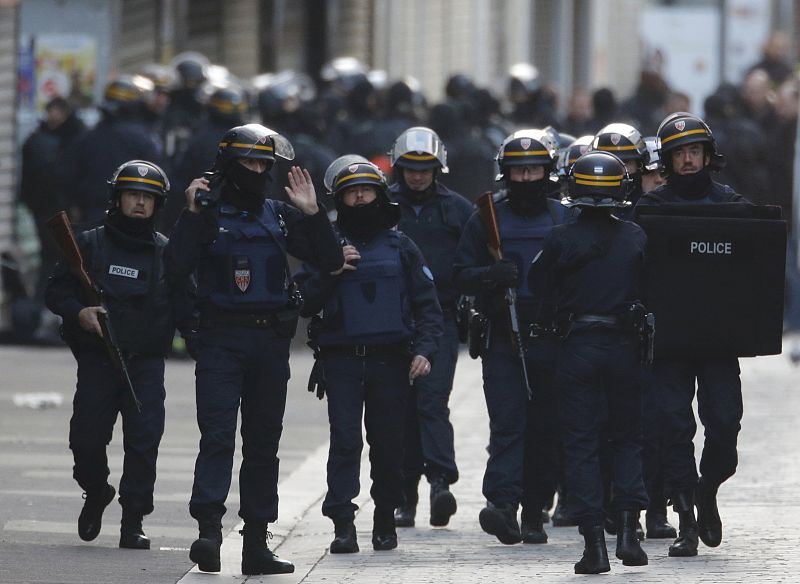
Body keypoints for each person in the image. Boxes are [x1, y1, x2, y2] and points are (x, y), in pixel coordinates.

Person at [166, 124, 344, 575]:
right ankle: (208, 532)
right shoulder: (206, 211)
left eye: (265, 163)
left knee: (264, 444)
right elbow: (175, 268)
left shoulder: (281, 215)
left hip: (269, 341)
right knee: (218, 437)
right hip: (221, 340)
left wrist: (313, 212)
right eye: (250, 162)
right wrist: (190, 215)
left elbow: (330, 260)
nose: (259, 170)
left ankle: (256, 543)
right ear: (229, 164)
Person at [298, 159, 443, 554]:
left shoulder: (401, 246)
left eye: (367, 190)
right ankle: (342, 523)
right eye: (351, 191)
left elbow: (428, 307)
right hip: (341, 359)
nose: (360, 198)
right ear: (340, 198)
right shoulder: (325, 242)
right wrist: (331, 269)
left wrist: (425, 352)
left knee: (387, 444)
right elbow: (304, 302)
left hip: (390, 361)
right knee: (345, 441)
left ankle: (384, 518)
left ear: (380, 194)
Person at [528, 151, 649, 574]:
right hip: (624, 347)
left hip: (577, 345)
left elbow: (537, 285)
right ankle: (630, 534)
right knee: (628, 439)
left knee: (580, 443)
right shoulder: (635, 236)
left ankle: (594, 544)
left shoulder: (560, 238)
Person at [44, 160, 175, 550]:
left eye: (147, 198)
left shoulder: (165, 254)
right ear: (117, 198)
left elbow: (186, 306)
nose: (139, 203)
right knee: (85, 441)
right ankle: (97, 489)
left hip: (145, 363)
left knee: (143, 441)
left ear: (157, 205)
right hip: (99, 360)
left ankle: (133, 520)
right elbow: (55, 292)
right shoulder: (88, 244)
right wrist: (78, 312)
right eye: (132, 195)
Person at [637, 112, 747, 558]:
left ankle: (707, 489)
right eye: (679, 153)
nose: (688, 161)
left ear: (707, 156)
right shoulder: (649, 210)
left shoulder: (733, 206)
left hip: (718, 338)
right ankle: (684, 517)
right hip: (668, 341)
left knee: (724, 425)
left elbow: (756, 263)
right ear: (667, 159)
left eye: (694, 152)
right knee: (672, 428)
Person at [453, 129, 564, 545]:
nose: (526, 179)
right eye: (518, 171)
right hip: (504, 335)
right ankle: (502, 505)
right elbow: (458, 273)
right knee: (508, 423)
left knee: (546, 426)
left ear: (547, 172)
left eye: (533, 170)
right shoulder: (488, 218)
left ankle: (535, 510)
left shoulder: (561, 217)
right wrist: (490, 276)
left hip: (552, 337)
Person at [387, 127, 473, 529]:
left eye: (425, 168)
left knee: (432, 401)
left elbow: (476, 259)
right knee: (400, 411)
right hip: (392, 323)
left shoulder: (458, 210)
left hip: (441, 319)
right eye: (411, 167)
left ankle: (441, 482)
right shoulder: (383, 206)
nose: (418, 175)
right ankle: (405, 496)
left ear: (437, 168)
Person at [62, 75, 164, 224]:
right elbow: (158, 178)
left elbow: (67, 176)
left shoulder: (86, 138)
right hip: (133, 216)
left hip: (91, 216)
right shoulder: (144, 139)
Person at [20, 96, 87, 301]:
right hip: (46, 207)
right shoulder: (40, 140)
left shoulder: (76, 139)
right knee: (53, 257)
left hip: (62, 208)